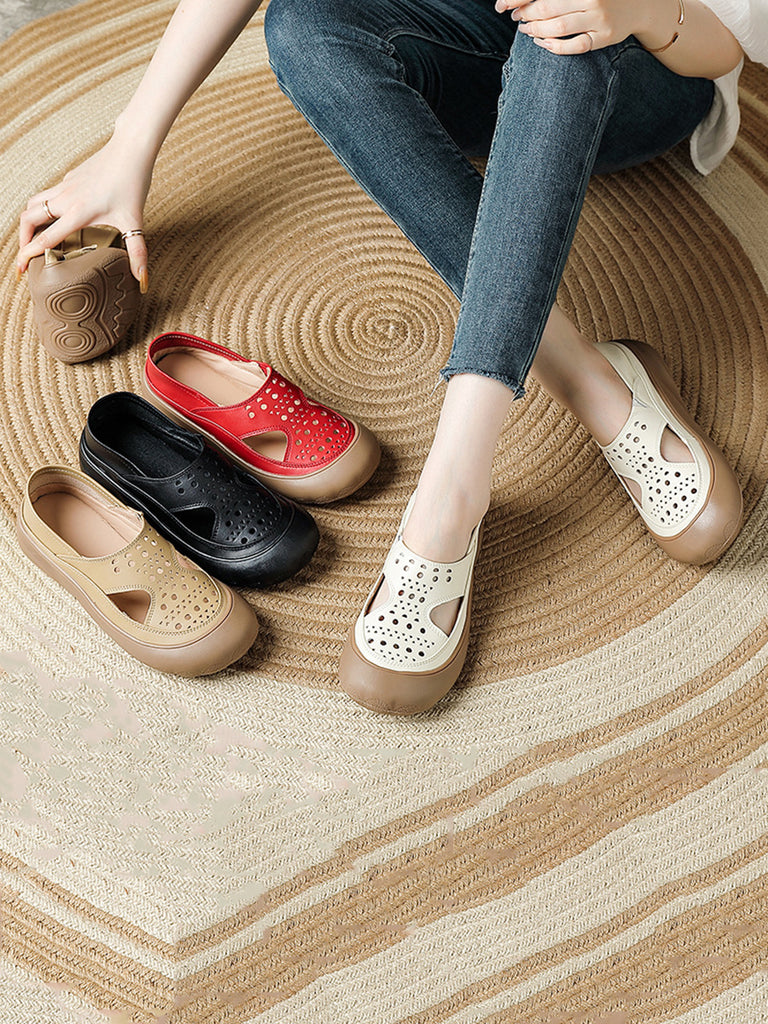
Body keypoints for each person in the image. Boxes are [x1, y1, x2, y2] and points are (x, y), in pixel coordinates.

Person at [16, 0, 767, 713]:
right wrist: (131, 146)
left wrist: (637, 9)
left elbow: (723, 44)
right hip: (469, 38)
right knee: (306, 28)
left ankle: (452, 491)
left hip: (649, 67)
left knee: (560, 20)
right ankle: (586, 375)